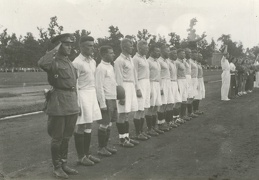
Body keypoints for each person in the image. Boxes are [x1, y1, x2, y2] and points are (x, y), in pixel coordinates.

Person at [38, 33, 79, 179]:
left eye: (70, 44)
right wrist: (55, 49)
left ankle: (64, 163)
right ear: (60, 46)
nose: (69, 47)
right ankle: (57, 167)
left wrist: (77, 104)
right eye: (66, 44)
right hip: (59, 102)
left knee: (67, 137)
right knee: (57, 138)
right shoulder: (53, 61)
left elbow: (74, 85)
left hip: (71, 102)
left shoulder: (69, 62)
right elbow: (42, 63)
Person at [73, 36, 102, 166]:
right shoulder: (77, 62)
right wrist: (77, 103)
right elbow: (74, 84)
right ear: (81, 47)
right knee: (81, 125)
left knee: (89, 124)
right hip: (82, 94)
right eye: (88, 46)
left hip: (91, 94)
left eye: (92, 45)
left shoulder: (93, 61)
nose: (92, 48)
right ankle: (81, 157)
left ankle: (87, 154)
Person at [114, 38, 139, 147]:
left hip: (131, 86)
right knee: (122, 113)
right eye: (130, 46)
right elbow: (118, 79)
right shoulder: (119, 61)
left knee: (127, 113)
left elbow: (134, 75)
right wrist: (121, 95)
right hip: (123, 86)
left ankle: (127, 137)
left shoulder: (130, 59)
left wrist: (136, 88)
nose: (132, 47)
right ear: (124, 47)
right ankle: (122, 139)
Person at [95, 46, 118, 156]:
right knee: (104, 124)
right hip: (106, 99)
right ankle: (101, 148)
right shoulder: (100, 68)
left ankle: (106, 146)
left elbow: (112, 82)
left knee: (109, 124)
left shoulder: (110, 66)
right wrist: (102, 103)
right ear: (104, 55)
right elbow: (99, 87)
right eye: (111, 53)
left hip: (112, 98)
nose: (113, 54)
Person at [132, 40, 151, 140]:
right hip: (140, 83)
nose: (147, 49)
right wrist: (137, 88)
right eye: (145, 48)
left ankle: (141, 131)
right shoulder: (135, 59)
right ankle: (137, 133)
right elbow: (134, 75)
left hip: (147, 83)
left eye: (147, 48)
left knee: (144, 108)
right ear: (139, 48)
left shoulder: (145, 58)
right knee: (139, 109)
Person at [146, 44, 164, 136]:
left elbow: (159, 76)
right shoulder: (148, 62)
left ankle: (154, 127)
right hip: (151, 84)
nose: (158, 53)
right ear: (151, 51)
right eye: (156, 51)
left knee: (156, 107)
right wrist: (148, 90)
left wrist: (160, 88)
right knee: (150, 107)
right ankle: (149, 129)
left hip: (157, 84)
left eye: (159, 51)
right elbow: (147, 77)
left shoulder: (157, 62)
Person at [157, 44, 173, 132]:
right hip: (162, 81)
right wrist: (160, 87)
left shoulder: (167, 61)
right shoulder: (159, 61)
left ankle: (167, 122)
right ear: (162, 51)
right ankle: (160, 123)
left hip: (168, 81)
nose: (169, 52)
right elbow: (158, 74)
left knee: (167, 103)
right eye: (167, 51)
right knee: (162, 104)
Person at [168, 47, 182, 127]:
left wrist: (177, 85)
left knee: (178, 101)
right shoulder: (168, 62)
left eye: (176, 53)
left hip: (175, 83)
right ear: (170, 54)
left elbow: (175, 75)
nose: (175, 55)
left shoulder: (174, 63)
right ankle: (170, 120)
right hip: (170, 83)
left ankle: (176, 117)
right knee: (171, 103)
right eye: (174, 53)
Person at [175, 49, 188, 123]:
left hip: (184, 80)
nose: (184, 55)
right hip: (179, 80)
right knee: (178, 100)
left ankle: (182, 116)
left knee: (184, 99)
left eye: (184, 53)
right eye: (182, 53)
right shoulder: (176, 62)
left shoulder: (183, 62)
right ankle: (176, 118)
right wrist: (177, 84)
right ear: (178, 54)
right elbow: (175, 73)